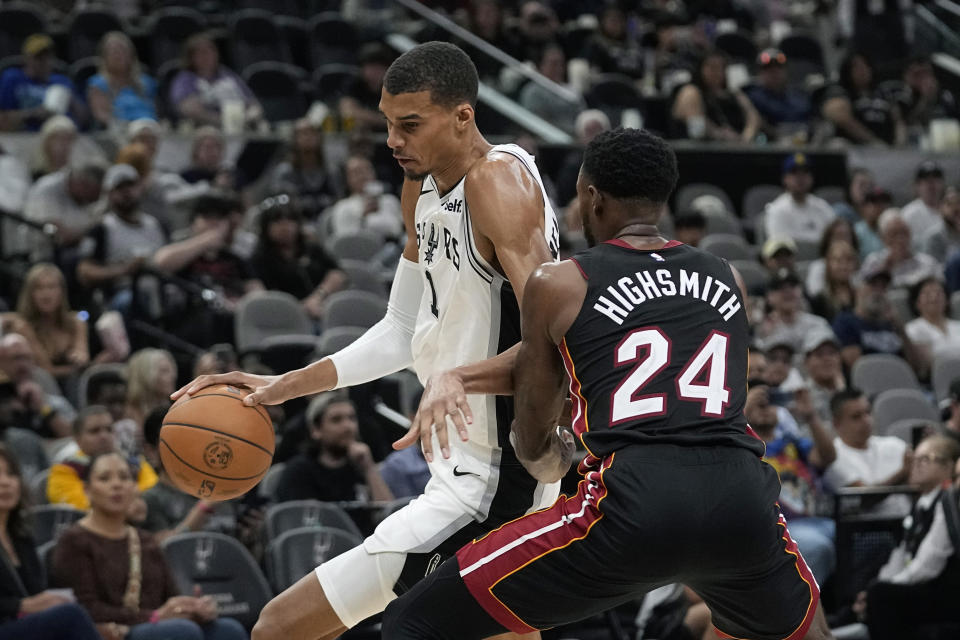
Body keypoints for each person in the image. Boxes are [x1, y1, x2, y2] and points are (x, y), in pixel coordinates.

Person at [173, 41, 562, 640]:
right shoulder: (422, 190)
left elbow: (553, 332)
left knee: (280, 629)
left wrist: (460, 380)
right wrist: (285, 386)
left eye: (410, 124)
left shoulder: (498, 181)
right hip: (460, 474)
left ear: (463, 116)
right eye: (386, 122)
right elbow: (402, 330)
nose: (392, 140)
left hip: (497, 481)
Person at [379, 127, 831, 640]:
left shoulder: (559, 281)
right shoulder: (728, 274)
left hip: (636, 503)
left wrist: (554, 455)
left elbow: (534, 441)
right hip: (742, 499)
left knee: (411, 623)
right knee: (808, 631)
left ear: (591, 196)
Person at [50, 451, 247, 640]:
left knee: (228, 630)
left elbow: (171, 596)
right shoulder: (75, 540)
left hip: (158, 625)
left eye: (125, 477)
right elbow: (86, 609)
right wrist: (153, 617)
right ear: (87, 490)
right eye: (104, 478)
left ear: (135, 487)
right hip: (113, 632)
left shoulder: (145, 540)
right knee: (181, 631)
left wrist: (194, 607)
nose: (117, 484)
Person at [863, 435, 960, 640]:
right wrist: (884, 581)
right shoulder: (919, 505)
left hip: (942, 588)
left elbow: (928, 564)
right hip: (921, 583)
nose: (916, 466)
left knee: (882, 596)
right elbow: (902, 553)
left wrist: (892, 585)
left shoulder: (948, 502)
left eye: (925, 459)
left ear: (949, 467)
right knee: (870, 591)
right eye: (914, 459)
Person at [0, 445, 101, 640]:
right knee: (69, 616)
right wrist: (21, 606)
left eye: (11, 474)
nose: (6, 483)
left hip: (21, 625)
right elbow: (26, 603)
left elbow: (36, 592)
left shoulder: (21, 536)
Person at [744, 383, 837, 584]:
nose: (765, 409)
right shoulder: (744, 448)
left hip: (815, 521)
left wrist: (810, 416)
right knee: (818, 545)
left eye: (770, 403)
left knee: (849, 536)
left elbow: (828, 457)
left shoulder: (792, 442)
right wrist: (742, 416)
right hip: (778, 529)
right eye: (759, 405)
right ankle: (805, 610)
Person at [76, 164, 167, 309]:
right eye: (120, 188)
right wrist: (124, 270)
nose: (127, 193)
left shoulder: (153, 224)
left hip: (159, 289)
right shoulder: (101, 228)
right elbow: (84, 272)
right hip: (121, 293)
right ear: (109, 193)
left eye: (130, 186)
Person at [275, 392, 393, 503]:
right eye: (336, 420)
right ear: (316, 430)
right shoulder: (299, 471)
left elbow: (388, 515)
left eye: (352, 418)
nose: (348, 426)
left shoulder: (362, 466)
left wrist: (369, 469)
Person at [249, 195, 347, 320]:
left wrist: (318, 297)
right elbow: (263, 296)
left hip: (323, 306)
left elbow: (338, 274)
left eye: (290, 219)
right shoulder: (258, 259)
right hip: (286, 317)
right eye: (277, 221)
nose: (285, 226)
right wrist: (302, 308)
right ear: (265, 227)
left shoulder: (311, 249)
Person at [47, 405, 157, 510]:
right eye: (95, 431)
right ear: (77, 439)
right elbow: (80, 507)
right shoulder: (65, 470)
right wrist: (129, 502)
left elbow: (154, 494)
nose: (104, 436)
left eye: (109, 430)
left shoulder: (134, 463)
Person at [824, 389, 912, 515]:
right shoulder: (832, 456)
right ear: (837, 423)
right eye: (856, 416)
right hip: (865, 530)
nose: (866, 420)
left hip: (909, 523)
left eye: (868, 412)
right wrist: (902, 474)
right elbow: (863, 498)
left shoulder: (894, 445)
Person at [832, 266, 923, 371]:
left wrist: (901, 329)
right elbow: (857, 369)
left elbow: (917, 369)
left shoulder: (891, 325)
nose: (878, 292)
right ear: (857, 289)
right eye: (873, 285)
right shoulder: (845, 322)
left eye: (883, 287)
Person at [170, 32, 262, 128]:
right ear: (191, 58)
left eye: (211, 51)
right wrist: (222, 121)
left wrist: (247, 118)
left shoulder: (228, 75)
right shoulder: (185, 79)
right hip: (204, 132)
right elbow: (188, 109)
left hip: (239, 128)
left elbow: (255, 106)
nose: (207, 56)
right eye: (202, 53)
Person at [22, 161, 105, 261]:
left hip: (76, 253)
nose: (96, 199)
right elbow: (62, 237)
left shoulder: (89, 196)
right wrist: (92, 232)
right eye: (94, 193)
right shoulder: (47, 189)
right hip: (41, 255)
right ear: (83, 184)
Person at [671, 50, 760, 143]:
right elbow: (697, 125)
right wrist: (721, 134)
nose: (716, 72)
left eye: (720, 67)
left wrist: (746, 136)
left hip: (733, 146)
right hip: (697, 148)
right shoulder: (690, 91)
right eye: (712, 67)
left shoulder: (733, 93)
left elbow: (753, 116)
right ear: (700, 68)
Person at [0, 34, 83, 132]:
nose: (45, 62)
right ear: (26, 58)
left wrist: (72, 100)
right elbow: (2, 119)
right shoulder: (12, 78)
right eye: (39, 58)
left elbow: (84, 120)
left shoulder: (62, 81)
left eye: (49, 58)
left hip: (58, 136)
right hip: (21, 136)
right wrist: (33, 113)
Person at [265, 119, 342, 222]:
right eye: (303, 133)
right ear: (294, 139)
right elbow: (278, 208)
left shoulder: (332, 172)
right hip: (294, 229)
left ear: (320, 137)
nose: (308, 137)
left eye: (312, 133)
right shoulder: (284, 172)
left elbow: (339, 204)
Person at [821, 52, 905, 146]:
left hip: (886, 147)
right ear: (848, 71)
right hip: (854, 146)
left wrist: (899, 144)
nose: (862, 71)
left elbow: (898, 120)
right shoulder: (841, 93)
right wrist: (872, 141)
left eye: (866, 66)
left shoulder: (884, 94)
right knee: (837, 144)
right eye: (857, 67)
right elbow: (840, 117)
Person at [0, 333, 73, 439]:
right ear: (2, 362)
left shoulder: (49, 395)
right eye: (16, 358)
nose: (23, 364)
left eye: (27, 358)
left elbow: (75, 437)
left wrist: (42, 407)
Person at [87, 32, 157, 128]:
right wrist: (126, 127)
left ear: (131, 55)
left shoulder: (146, 82)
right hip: (120, 130)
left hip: (151, 127)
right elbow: (102, 115)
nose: (118, 55)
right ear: (104, 57)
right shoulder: (98, 83)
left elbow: (157, 110)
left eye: (123, 51)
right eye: (113, 52)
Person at [858, 209, 941, 290]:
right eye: (894, 234)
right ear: (882, 238)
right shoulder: (873, 262)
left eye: (904, 232)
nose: (900, 239)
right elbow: (862, 290)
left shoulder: (927, 263)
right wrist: (885, 267)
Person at [764, 153, 836, 245]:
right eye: (794, 173)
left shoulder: (822, 206)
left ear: (811, 178)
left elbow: (836, 239)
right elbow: (779, 248)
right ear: (785, 179)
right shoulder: (777, 210)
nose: (800, 178)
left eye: (805, 172)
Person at [755, 268, 831, 353]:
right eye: (779, 288)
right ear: (769, 297)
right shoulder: (761, 329)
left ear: (801, 291)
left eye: (792, 286)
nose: (787, 291)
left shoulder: (817, 324)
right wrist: (766, 337)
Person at [328, 155, 404, 240]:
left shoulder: (390, 200)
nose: (363, 175)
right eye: (356, 172)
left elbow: (398, 230)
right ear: (347, 179)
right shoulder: (343, 207)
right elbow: (345, 242)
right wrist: (363, 217)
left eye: (367, 170)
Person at [518, 44, 585, 136]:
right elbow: (538, 124)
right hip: (547, 142)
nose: (558, 68)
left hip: (575, 140)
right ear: (541, 66)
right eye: (553, 64)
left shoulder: (572, 91)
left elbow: (582, 118)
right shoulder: (532, 92)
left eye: (561, 64)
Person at [745, 48, 813, 137]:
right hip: (771, 146)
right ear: (760, 72)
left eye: (778, 67)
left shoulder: (800, 96)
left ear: (786, 70)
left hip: (805, 143)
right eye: (768, 68)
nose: (774, 72)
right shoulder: (752, 97)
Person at [905, 277, 960, 374]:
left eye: (939, 293)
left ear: (947, 300)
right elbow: (924, 366)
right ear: (917, 303)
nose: (934, 297)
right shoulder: (913, 329)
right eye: (927, 294)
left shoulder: (957, 326)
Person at [339, 43, 394, 132]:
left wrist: (364, 116)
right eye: (370, 67)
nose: (375, 73)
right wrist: (382, 120)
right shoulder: (354, 84)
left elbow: (402, 118)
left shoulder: (396, 86)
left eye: (379, 68)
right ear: (362, 69)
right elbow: (348, 113)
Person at [802, 330, 846, 427]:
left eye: (832, 353)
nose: (827, 359)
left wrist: (842, 392)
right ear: (806, 362)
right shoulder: (802, 396)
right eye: (819, 354)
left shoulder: (850, 393)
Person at [805, 219, 859, 298]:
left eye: (846, 236)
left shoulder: (858, 274)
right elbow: (815, 294)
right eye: (838, 261)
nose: (844, 266)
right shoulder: (818, 267)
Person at [808, 239, 858, 323]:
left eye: (849, 260)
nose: (844, 266)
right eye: (838, 261)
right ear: (829, 264)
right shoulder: (819, 300)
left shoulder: (860, 297)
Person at [901, 161, 945, 251]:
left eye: (935, 179)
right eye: (926, 181)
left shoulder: (951, 212)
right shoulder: (908, 214)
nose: (931, 185)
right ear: (917, 185)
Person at [922, 185, 960, 264]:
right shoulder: (934, 236)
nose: (955, 208)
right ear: (940, 208)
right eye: (949, 204)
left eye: (958, 202)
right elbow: (934, 268)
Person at [32, 115, 77, 180]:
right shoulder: (35, 176)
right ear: (46, 142)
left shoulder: (77, 177)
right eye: (58, 139)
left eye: (68, 139)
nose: (64, 144)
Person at [854, 187, 893, 259]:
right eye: (875, 202)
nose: (881, 206)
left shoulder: (893, 229)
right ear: (863, 207)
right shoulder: (856, 232)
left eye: (884, 202)